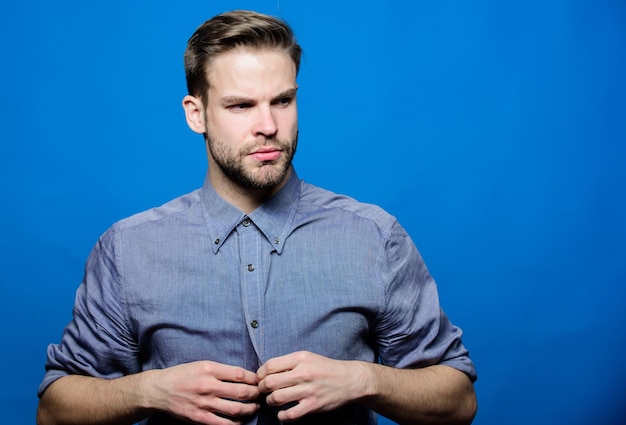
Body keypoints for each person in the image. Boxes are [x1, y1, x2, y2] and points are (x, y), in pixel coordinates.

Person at [37, 10, 477, 425]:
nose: (268, 125)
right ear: (196, 114)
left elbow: (459, 401)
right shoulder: (128, 248)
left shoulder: (374, 236)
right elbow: (54, 409)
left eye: (282, 101)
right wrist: (149, 390)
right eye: (241, 106)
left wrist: (364, 380)